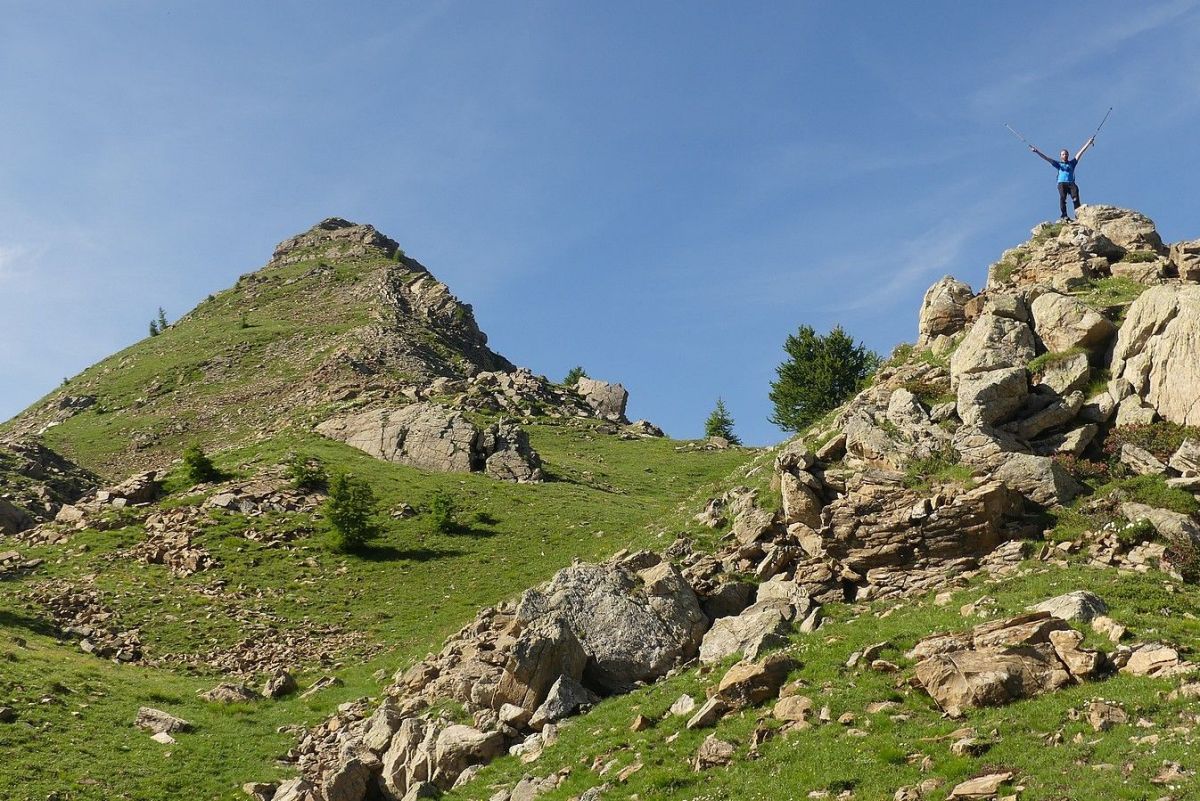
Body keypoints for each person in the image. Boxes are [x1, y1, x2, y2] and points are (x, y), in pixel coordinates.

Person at [1029, 137, 1095, 221]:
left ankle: (1078, 214)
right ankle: (1064, 215)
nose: (1065, 155)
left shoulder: (1072, 163)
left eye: (1066, 154)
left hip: (1071, 183)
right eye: (1063, 154)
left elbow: (1080, 152)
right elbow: (1046, 158)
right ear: (1060, 156)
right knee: (1063, 198)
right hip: (1061, 183)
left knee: (1075, 197)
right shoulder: (1058, 164)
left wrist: (1088, 143)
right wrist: (1037, 151)